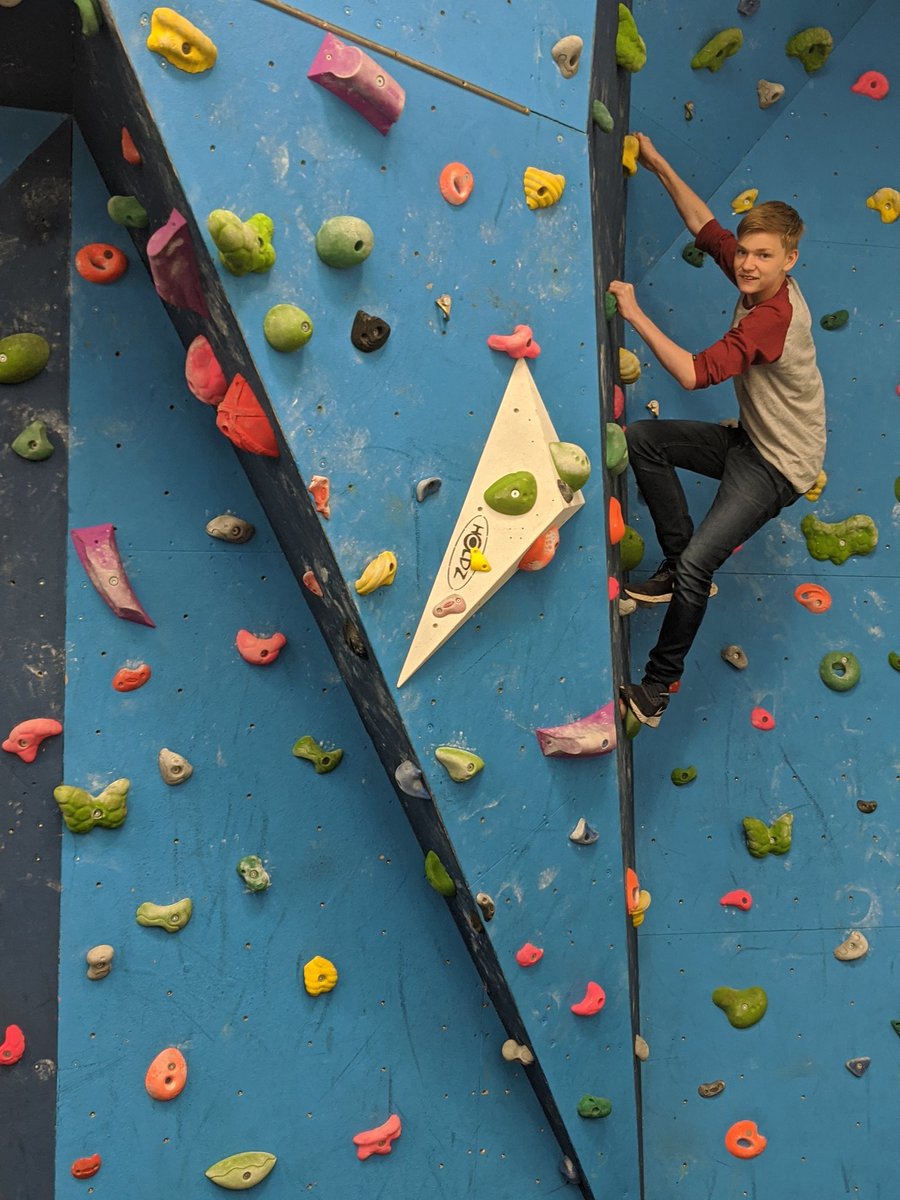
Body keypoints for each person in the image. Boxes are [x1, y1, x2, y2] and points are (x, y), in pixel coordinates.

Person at [608, 133, 826, 728]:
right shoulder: (756, 280)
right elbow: (704, 225)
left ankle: (656, 690)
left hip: (780, 466)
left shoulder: (772, 318)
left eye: (764, 256)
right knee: (643, 441)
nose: (748, 264)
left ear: (790, 261)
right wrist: (657, 162)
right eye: (746, 252)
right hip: (754, 440)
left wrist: (634, 313)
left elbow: (692, 373)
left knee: (701, 565)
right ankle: (677, 565)